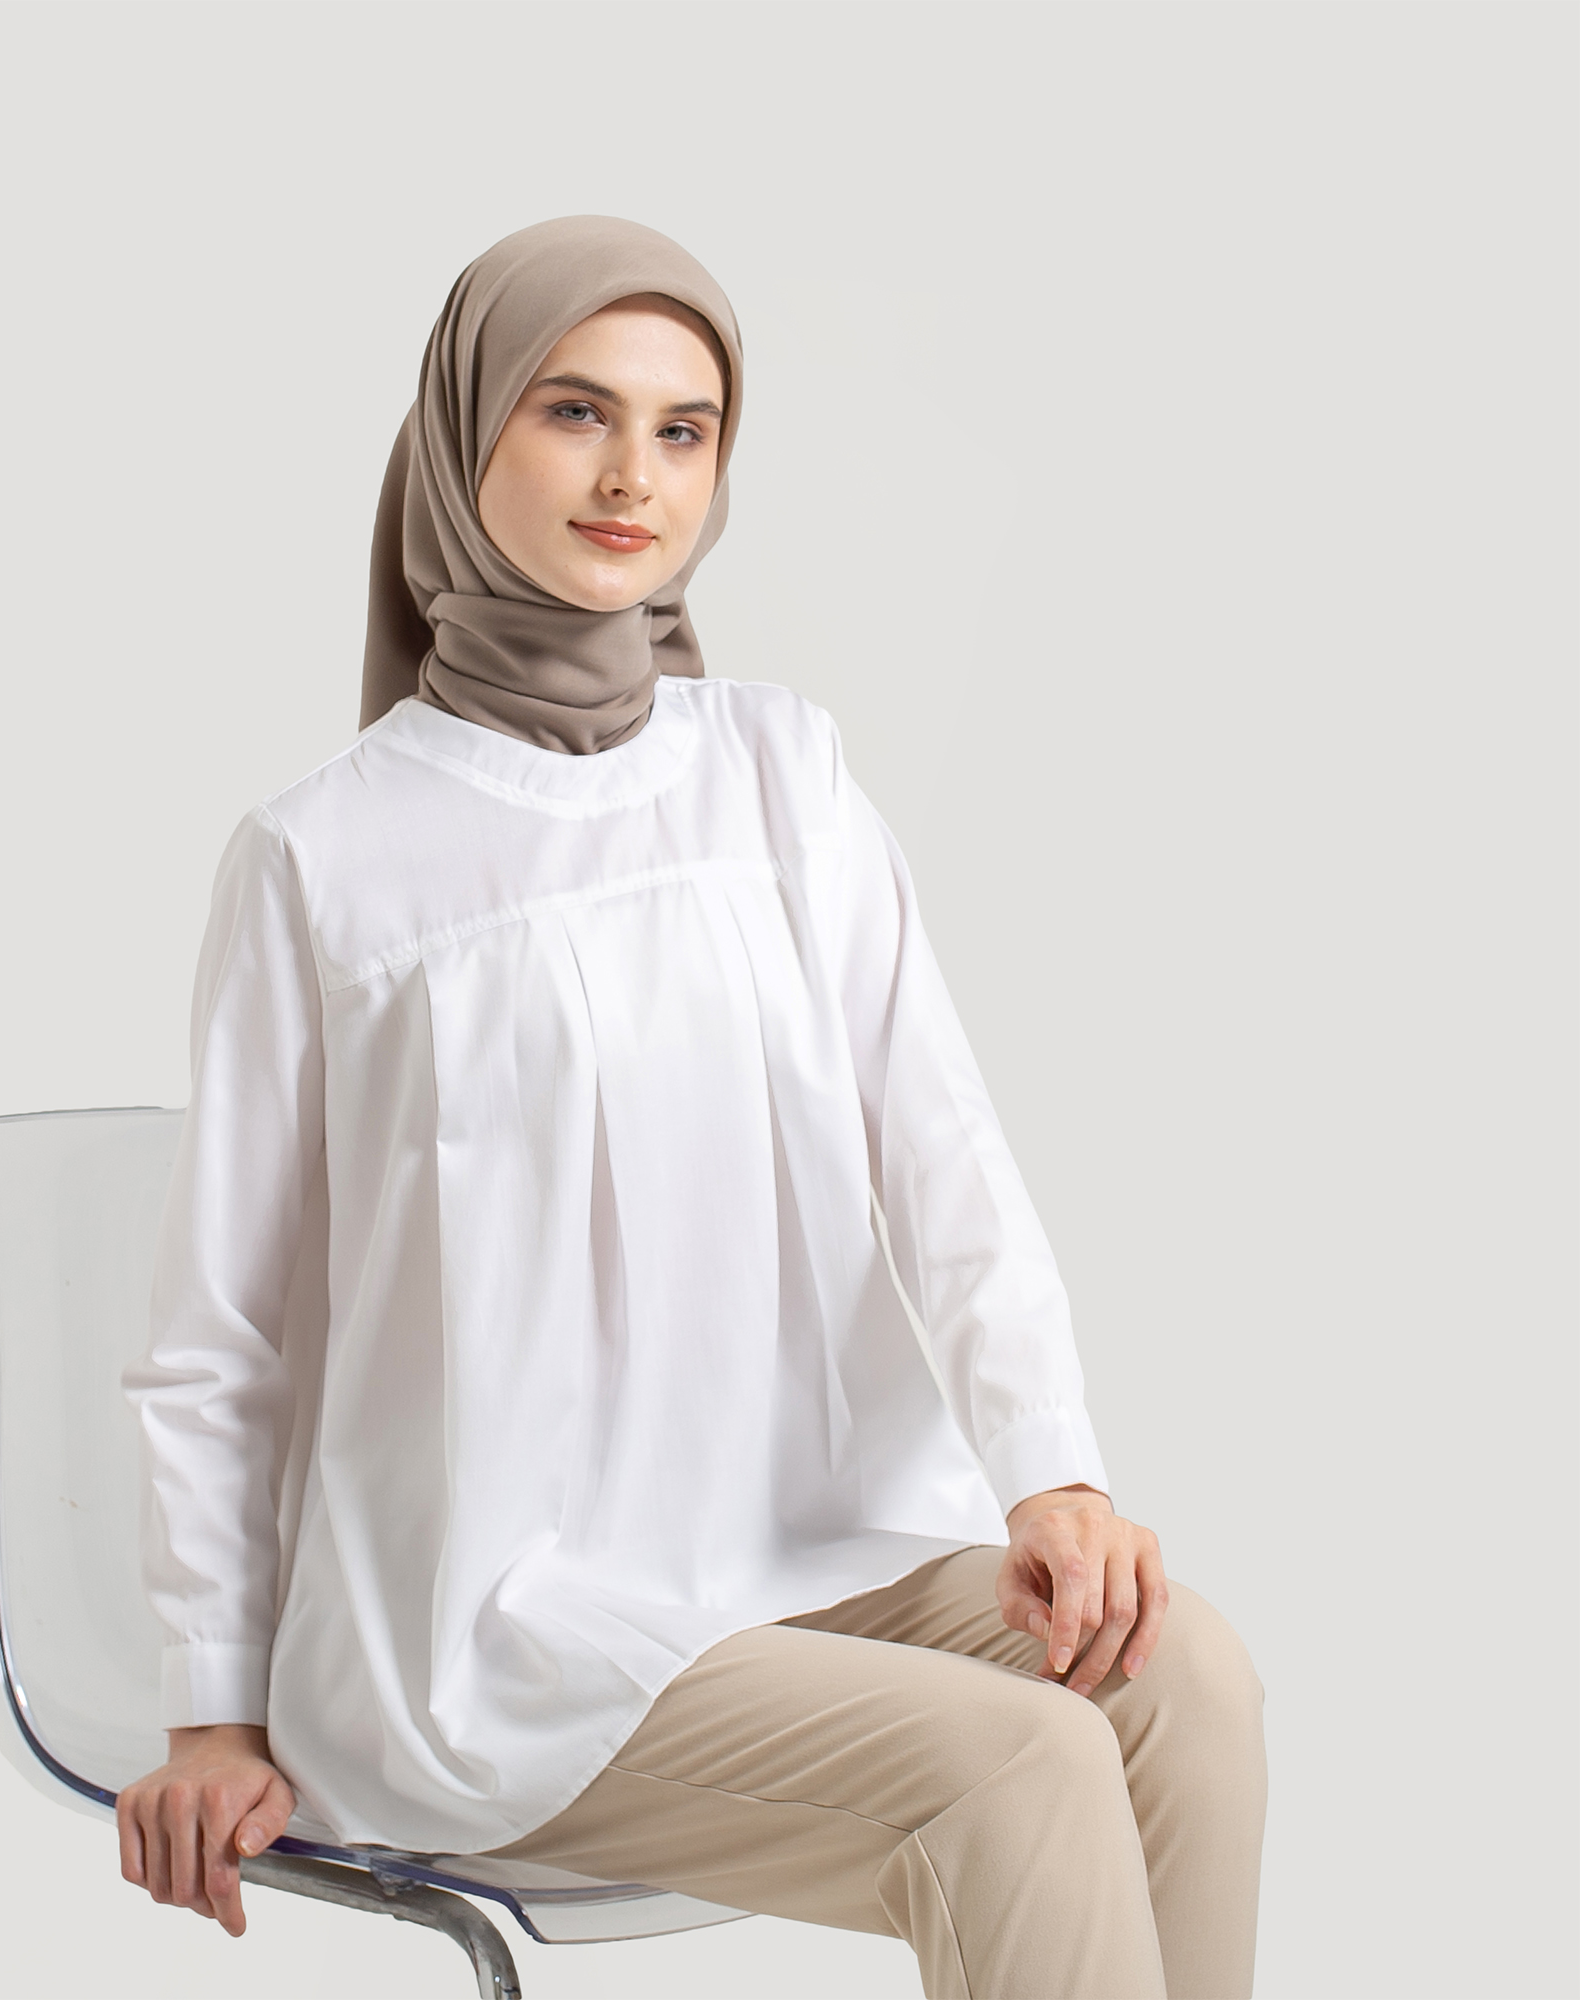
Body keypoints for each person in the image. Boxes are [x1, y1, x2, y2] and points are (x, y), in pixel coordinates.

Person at [116, 216, 1267, 1998]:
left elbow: (942, 1154)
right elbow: (223, 1338)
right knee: (1020, 1764)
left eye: (684, 428)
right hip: (495, 1625)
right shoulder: (323, 857)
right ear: (464, 429)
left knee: (1181, 1675)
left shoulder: (782, 771)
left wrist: (1054, 1476)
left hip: (808, 1543)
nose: (631, 477)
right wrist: (210, 1708)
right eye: (575, 410)